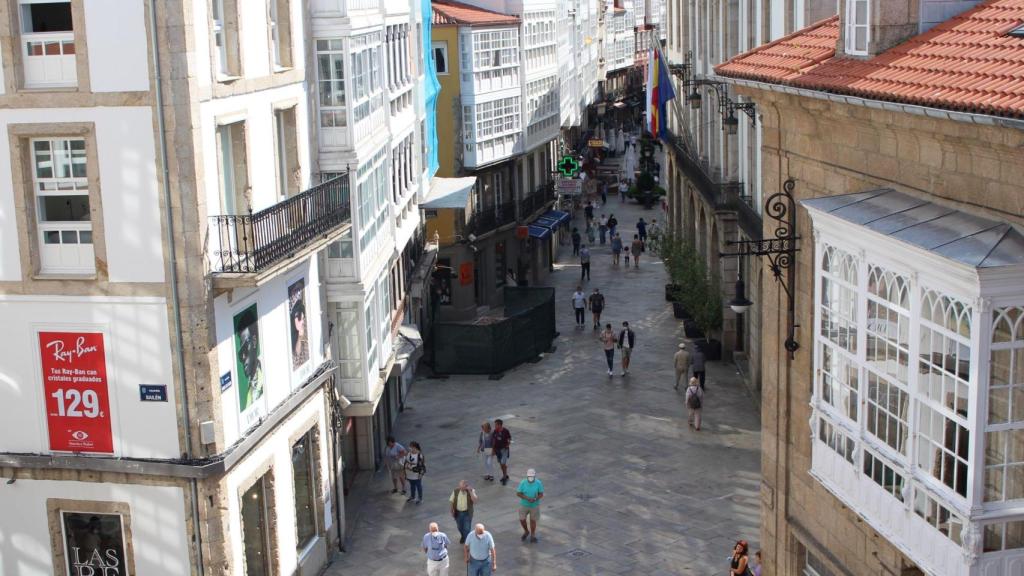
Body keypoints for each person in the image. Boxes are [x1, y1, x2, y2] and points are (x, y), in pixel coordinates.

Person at [516, 469, 544, 543]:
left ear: (534, 476)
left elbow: (541, 494)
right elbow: (518, 493)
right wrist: (527, 498)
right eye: (529, 476)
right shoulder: (523, 483)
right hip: (524, 504)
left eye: (532, 476)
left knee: (533, 520)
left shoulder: (538, 483)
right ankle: (526, 531)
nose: (530, 478)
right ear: (527, 476)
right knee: (522, 519)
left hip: (534, 505)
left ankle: (533, 535)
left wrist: (535, 499)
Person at [491, 419, 512, 485]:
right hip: (498, 450)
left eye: (496, 425)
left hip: (504, 449)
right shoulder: (495, 431)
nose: (495, 426)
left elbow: (509, 438)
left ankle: (505, 477)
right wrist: (493, 450)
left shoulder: (505, 431)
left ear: (500, 425)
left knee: (503, 463)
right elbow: (493, 441)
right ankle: (505, 474)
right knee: (501, 464)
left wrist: (508, 444)